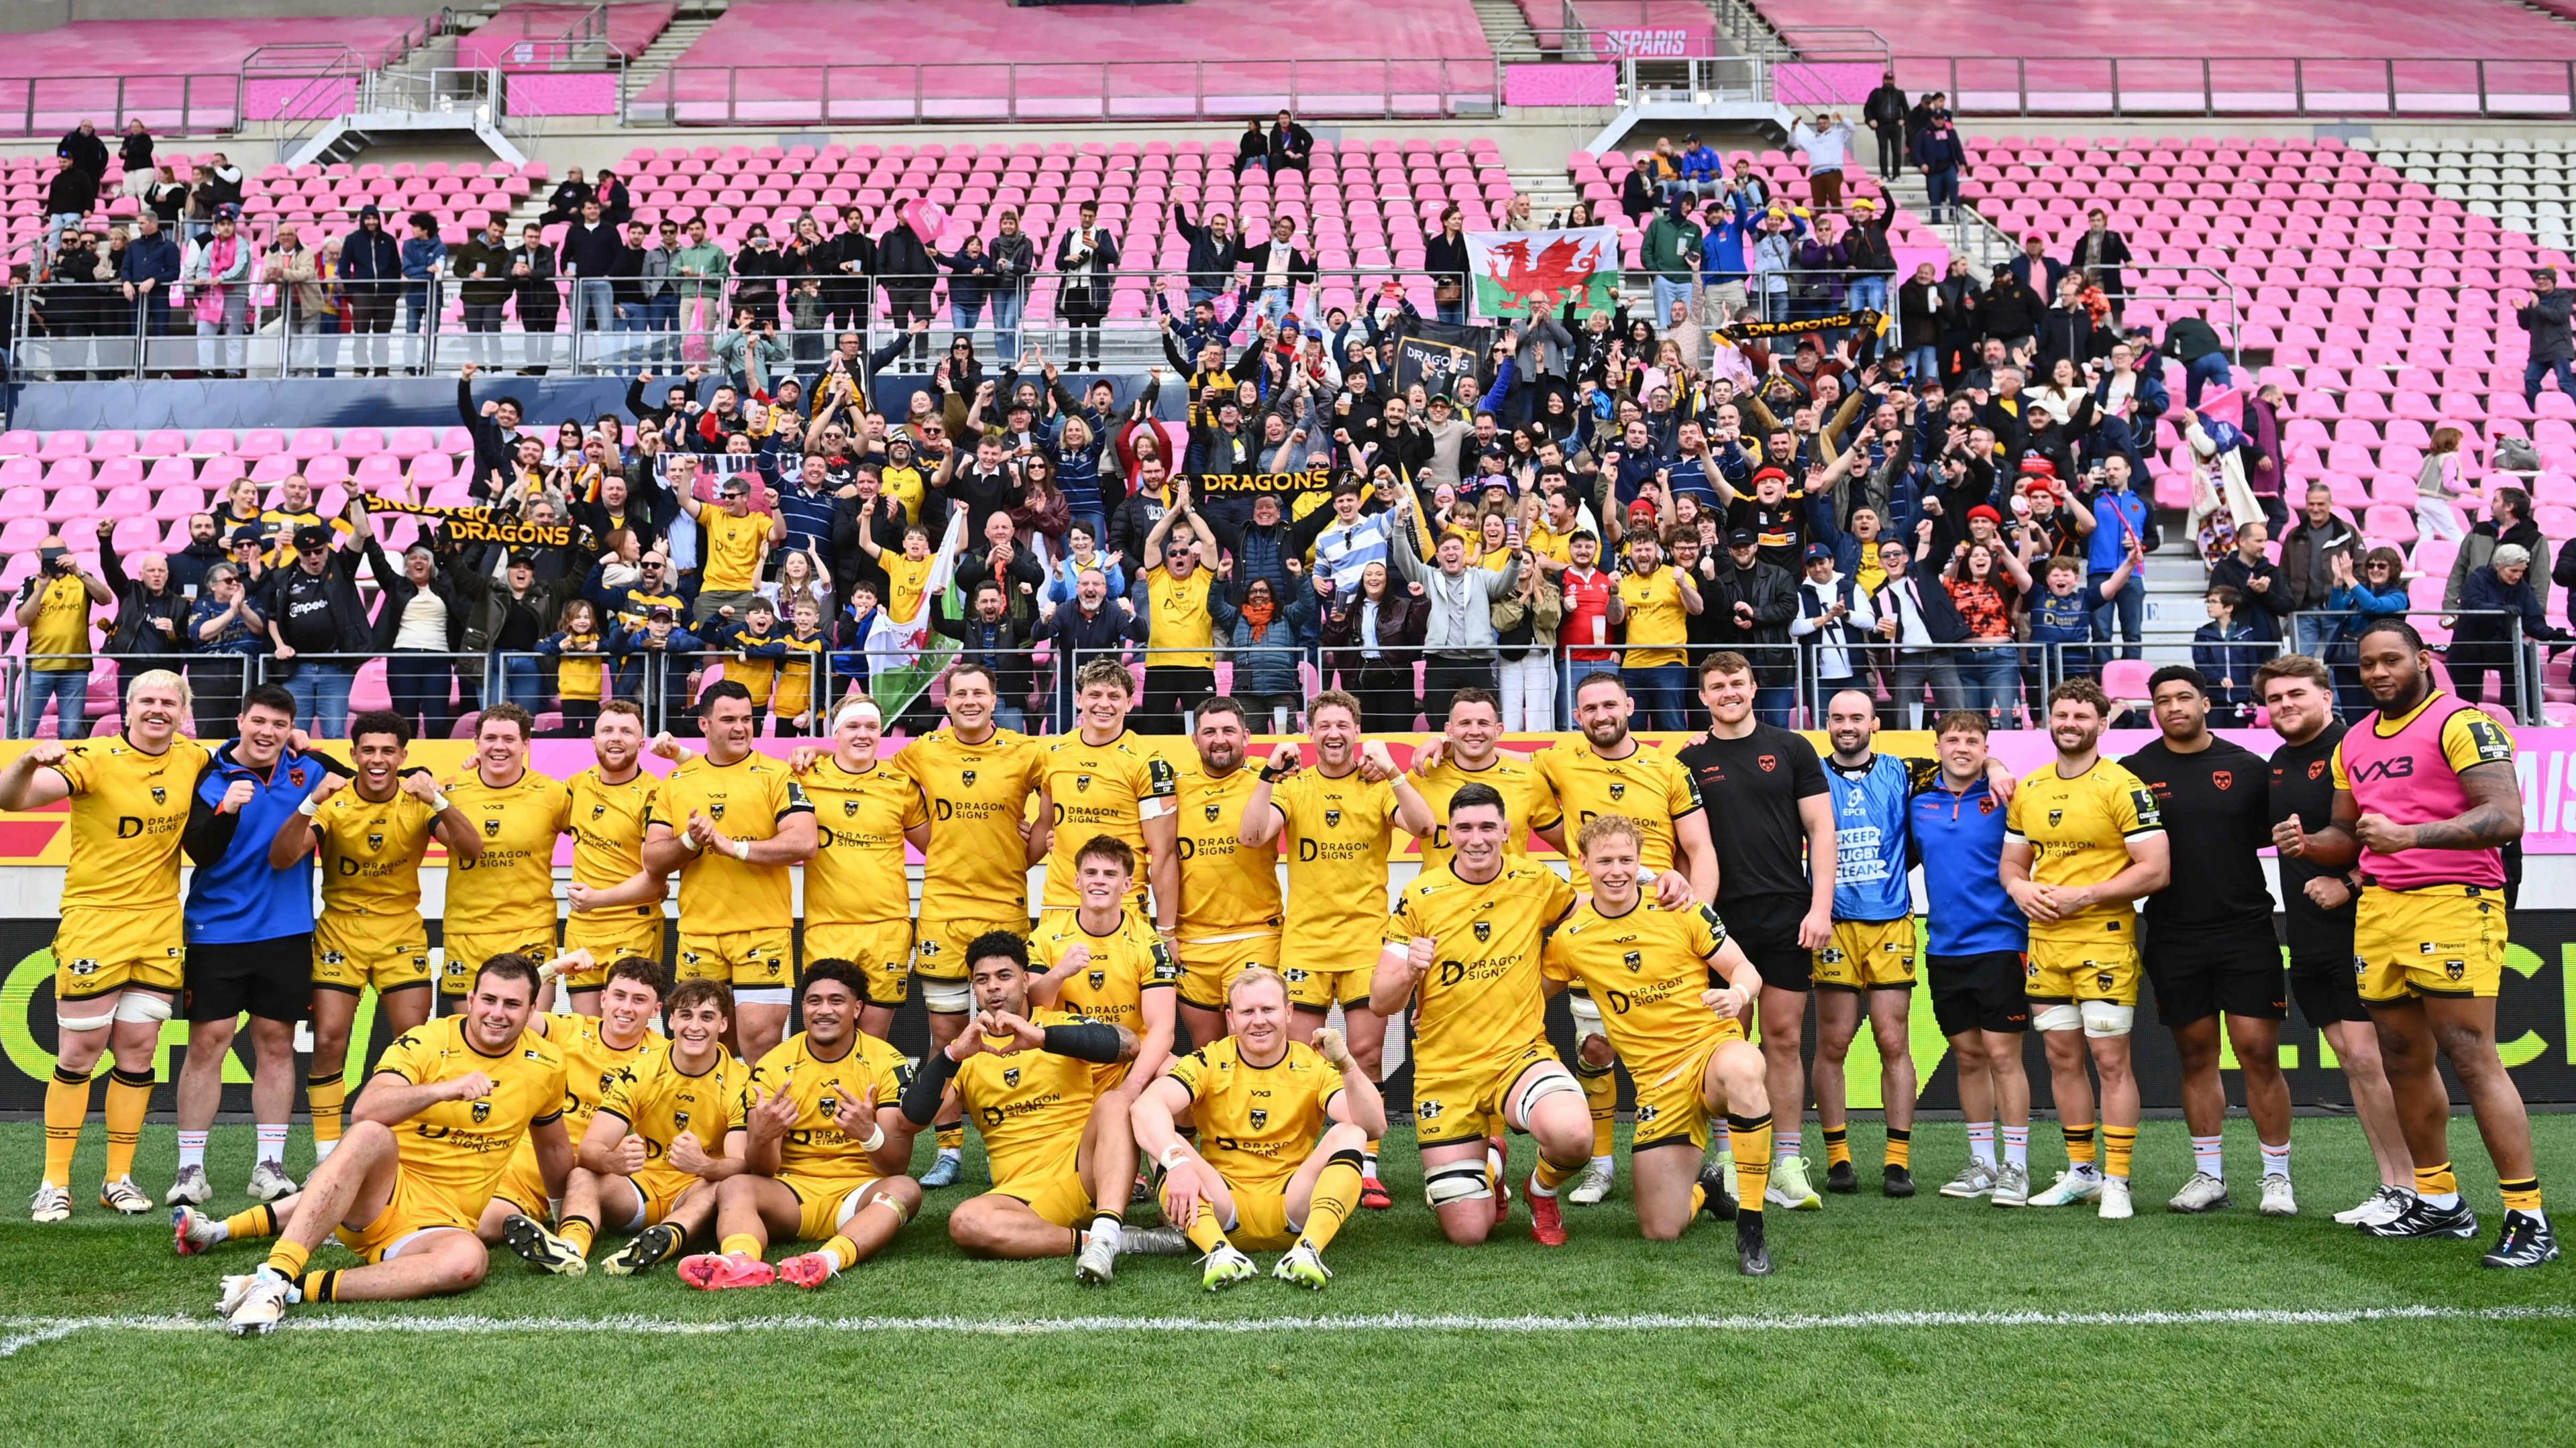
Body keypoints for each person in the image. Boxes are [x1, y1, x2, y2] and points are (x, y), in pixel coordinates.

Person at [2275, 618, 2555, 1266]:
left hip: (2454, 901)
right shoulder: (2356, 741)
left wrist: (2414, 836)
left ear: (2422, 659)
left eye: (2390, 660)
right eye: (2367, 664)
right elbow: (2348, 835)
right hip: (2380, 910)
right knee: (2401, 1056)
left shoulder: (2463, 722)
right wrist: (2310, 845)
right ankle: (2438, 1200)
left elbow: (2505, 816)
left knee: (2471, 1054)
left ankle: (2527, 1215)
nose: (2377, 673)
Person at [178, 954, 570, 1336]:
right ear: (471, 1000)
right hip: (383, 1195)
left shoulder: (547, 1064)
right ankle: (274, 1276)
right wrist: (443, 1090)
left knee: (468, 1263)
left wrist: (565, 1223)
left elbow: (551, 1148)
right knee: (370, 1135)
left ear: (532, 1009)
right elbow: (367, 1110)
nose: (497, 1013)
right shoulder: (426, 1041)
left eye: (512, 1004)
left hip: (443, 1225)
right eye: (488, 1000)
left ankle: (297, 1288)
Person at [3, 671, 207, 1221]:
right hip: (95, 923)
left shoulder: (194, 756)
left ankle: (117, 1178)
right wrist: (25, 762)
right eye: (147, 700)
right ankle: (54, 1181)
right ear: (128, 706)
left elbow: (255, 753)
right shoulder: (91, 757)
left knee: (138, 1051)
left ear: (184, 711)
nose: (158, 709)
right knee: (78, 1054)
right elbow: (11, 802)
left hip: (160, 927)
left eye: (169, 701)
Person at [1543, 815, 1774, 1272]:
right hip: (1658, 1084)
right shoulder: (1571, 937)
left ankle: (1752, 1224)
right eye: (1605, 860)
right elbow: (1528, 996)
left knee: (1746, 1067)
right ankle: (1707, 1188)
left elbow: (1746, 969)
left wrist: (1737, 994)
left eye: (1626, 859)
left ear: (1640, 862)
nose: (1616, 870)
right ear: (1584, 863)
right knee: (1660, 1227)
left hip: (1710, 1050)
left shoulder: (1680, 908)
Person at [1525, 672, 1717, 1203]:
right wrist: (1439, 742)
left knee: (1689, 1044)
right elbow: (1497, 766)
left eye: (1610, 703)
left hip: (1664, 926)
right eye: (1589, 707)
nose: (1601, 713)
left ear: (1630, 705)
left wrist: (1699, 917)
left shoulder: (1667, 766)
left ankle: (1710, 1163)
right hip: (1592, 931)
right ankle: (1603, 1165)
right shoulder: (1557, 761)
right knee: (1595, 1044)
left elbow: (1700, 849)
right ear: (1578, 715)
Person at [901, 932, 1187, 1282]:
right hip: (1021, 1197)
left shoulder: (1056, 1025)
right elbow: (913, 1119)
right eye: (982, 979)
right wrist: (950, 1056)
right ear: (974, 989)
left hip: (1086, 1175)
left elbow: (1128, 1044)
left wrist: (1041, 1038)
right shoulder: (966, 1052)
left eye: (1004, 976)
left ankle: (1107, 1226)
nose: (994, 988)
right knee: (966, 1222)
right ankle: (1110, 1240)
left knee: (1116, 1101)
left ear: (1024, 980)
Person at [1240, 693, 1434, 1207]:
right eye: (1324, 724)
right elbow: (1252, 834)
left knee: (1366, 1055)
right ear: (1310, 732)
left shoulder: (1375, 785)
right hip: (1305, 943)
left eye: (1343, 724)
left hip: (1366, 945)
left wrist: (1393, 770)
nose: (1333, 732)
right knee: (1299, 1059)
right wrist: (1266, 774)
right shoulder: (1294, 785)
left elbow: (1425, 826)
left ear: (1357, 730)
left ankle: (1367, 1164)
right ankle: (1301, 1160)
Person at [265, 710, 478, 1171]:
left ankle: (409, 1150)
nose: (377, 759)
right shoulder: (333, 803)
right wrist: (307, 805)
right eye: (368, 750)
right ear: (354, 753)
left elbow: (471, 849)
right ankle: (327, 1154)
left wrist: (440, 801)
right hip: (340, 931)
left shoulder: (419, 801)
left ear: (403, 755)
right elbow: (282, 858)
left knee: (414, 1043)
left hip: (401, 932)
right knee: (329, 1040)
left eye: (388, 751)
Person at [2121, 667, 2296, 1215]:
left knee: (2258, 1053)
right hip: (2173, 934)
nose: (2174, 707)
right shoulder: (2134, 771)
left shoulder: (2247, 767)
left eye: (2183, 698)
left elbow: (2279, 835)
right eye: (2163, 700)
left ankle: (2276, 1178)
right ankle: (2209, 1175)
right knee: (2196, 1055)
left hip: (2245, 930)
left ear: (2205, 701)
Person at [2253, 654, 2416, 1226]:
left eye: (2297, 694)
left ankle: (2418, 1188)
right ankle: (2394, 1185)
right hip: (2308, 935)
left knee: (2376, 1060)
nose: (2286, 705)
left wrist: (2350, 882)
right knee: (2354, 1061)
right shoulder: (2277, 762)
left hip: (2367, 927)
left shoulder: (2359, 748)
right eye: (2275, 699)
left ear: (2326, 695)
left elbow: (2400, 832)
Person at [2000, 678, 2171, 1221]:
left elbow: (2156, 869)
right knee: (2061, 1057)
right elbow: (2012, 864)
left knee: (2110, 1059)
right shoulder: (2030, 787)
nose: (2069, 722)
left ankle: (2118, 1179)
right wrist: (2021, 889)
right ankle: (2082, 1172)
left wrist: (2086, 896)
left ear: (2102, 723)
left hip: (2104, 940)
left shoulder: (2123, 785)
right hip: (2046, 944)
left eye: (2081, 715)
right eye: (2061, 714)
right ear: (2049, 720)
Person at [1674, 653, 1835, 1208]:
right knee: (1727, 1044)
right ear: (1703, 696)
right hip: (1722, 921)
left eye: (1736, 683)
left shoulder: (1791, 748)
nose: (1728, 692)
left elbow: (1822, 829)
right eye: (1716, 685)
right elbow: (1680, 846)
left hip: (1788, 913)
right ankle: (1729, 1159)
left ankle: (1787, 1162)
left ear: (1753, 686)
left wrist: (1821, 908)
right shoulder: (1688, 759)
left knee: (1785, 1039)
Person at [891, 662, 1049, 1186]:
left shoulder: (1027, 751)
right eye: (961, 693)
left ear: (994, 697)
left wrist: (1038, 831)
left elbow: (1067, 783)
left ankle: (1027, 1134)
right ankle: (951, 1149)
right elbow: (869, 767)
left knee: (1016, 1031)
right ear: (947, 700)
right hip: (942, 908)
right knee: (947, 1037)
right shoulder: (922, 751)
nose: (971, 701)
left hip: (1003, 907)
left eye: (980, 692)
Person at [674, 961, 925, 1291]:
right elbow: (764, 1169)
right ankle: (739, 1261)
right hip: (793, 1194)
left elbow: (896, 1164)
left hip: (858, 1194)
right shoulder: (773, 1066)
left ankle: (826, 1260)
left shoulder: (887, 1062)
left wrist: (869, 1134)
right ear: (803, 1007)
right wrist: (763, 1138)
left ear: (857, 1008)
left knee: (906, 1189)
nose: (824, 1010)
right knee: (735, 1187)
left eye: (837, 1001)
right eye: (814, 1001)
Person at [1131, 969, 1384, 1290]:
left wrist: (1346, 1063)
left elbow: (1374, 1125)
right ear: (1231, 1018)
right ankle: (1218, 1252)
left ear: (1289, 1012)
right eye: (1247, 1012)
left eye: (1268, 1010)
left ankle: (1308, 1251)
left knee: (1352, 1132)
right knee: (1166, 1143)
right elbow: (1144, 1108)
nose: (1259, 1020)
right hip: (1222, 1205)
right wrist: (1178, 1161)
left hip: (1294, 1204)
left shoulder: (1312, 1064)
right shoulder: (1211, 1059)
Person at [615, 683, 816, 1062]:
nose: (740, 727)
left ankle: (756, 1124)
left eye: (747, 719)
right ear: (705, 725)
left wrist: (735, 848)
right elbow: (653, 860)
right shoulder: (676, 782)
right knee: (702, 1047)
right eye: (728, 719)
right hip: (699, 933)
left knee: (761, 1045)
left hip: (764, 929)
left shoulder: (776, 774)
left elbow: (805, 841)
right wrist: (690, 842)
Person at [1806, 689, 1942, 1199]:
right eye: (1838, 716)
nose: (1847, 725)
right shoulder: (1810, 773)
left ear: (1874, 723)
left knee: (1893, 1040)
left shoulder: (1906, 771)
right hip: (1833, 921)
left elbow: (1964, 758)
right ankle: (1838, 1158)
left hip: (1890, 920)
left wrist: (1994, 764)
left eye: (1856, 717)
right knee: (1833, 1043)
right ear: (1827, 722)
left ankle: (1897, 1161)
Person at [1911, 710, 2035, 1205]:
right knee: (1968, 1056)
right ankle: (1982, 1161)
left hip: (2002, 942)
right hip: (1943, 945)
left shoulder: (2008, 795)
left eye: (1973, 740)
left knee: (2004, 1055)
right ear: (1937, 745)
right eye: (1953, 739)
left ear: (1986, 747)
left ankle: (2017, 1166)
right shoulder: (1918, 799)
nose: (1962, 746)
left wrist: (2000, 767)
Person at [485, 955, 669, 1274]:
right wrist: (553, 970)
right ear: (603, 998)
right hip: (530, 1169)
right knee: (481, 1228)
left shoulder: (665, 1057)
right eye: (619, 996)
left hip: (594, 1177)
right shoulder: (568, 1030)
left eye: (639, 1000)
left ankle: (564, 1240)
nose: (626, 1008)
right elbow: (518, 1013)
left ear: (656, 1010)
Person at [795, 696, 930, 1041]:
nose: (863, 735)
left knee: (872, 1040)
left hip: (887, 930)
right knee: (827, 1035)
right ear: (835, 732)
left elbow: (937, 847)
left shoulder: (899, 784)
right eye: (853, 726)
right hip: (828, 929)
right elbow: (747, 776)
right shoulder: (805, 777)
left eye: (871, 727)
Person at [433, 704, 571, 1007]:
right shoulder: (449, 791)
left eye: (509, 739)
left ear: (525, 744)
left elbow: (597, 837)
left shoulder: (552, 793)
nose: (499, 746)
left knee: (532, 1033)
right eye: (490, 738)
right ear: (477, 743)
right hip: (467, 933)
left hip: (531, 931)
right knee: (471, 1037)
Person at [1167, 698, 1283, 1053]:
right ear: (1194, 739)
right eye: (1210, 732)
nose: (1220, 739)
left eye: (1229, 731)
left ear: (1247, 736)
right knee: (1208, 1053)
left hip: (1255, 935)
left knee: (1253, 1048)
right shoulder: (1175, 785)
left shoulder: (1273, 776)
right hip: (1193, 943)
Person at [555, 700, 667, 1011]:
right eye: (607, 730)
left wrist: (596, 900)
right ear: (594, 741)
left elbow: (655, 881)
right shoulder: (576, 786)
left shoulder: (655, 794)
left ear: (642, 744)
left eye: (626, 732)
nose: (616, 738)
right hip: (583, 930)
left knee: (625, 1027)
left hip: (635, 927)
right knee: (588, 1034)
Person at [262, 522, 370, 738]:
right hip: (296, 669)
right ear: (298, 553)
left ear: (327, 548)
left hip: (336, 668)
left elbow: (361, 532)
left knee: (334, 733)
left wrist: (354, 497)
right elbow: (272, 618)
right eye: (307, 553)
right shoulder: (283, 577)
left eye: (319, 551)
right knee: (294, 734)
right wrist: (280, 646)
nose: (313, 557)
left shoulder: (341, 569)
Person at [1139, 492, 1223, 734]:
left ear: (1192, 558)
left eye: (1183, 552)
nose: (1178, 556)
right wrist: (1174, 511)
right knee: (1154, 730)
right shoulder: (1157, 578)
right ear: (1166, 561)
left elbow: (1209, 542)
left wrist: (1189, 510)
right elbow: (1151, 543)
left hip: (1199, 666)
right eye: (1173, 554)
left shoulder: (1204, 577)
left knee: (1203, 729)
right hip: (1159, 666)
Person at [2448, 542, 2566, 708]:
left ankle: (2519, 716)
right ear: (2499, 566)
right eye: (2513, 571)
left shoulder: (2521, 588)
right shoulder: (2477, 579)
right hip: (2469, 645)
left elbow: (2532, 620)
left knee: (2523, 657)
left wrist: (2550, 634)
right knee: (2467, 699)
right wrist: (2500, 610)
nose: (2518, 576)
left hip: (2499, 644)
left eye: (2522, 571)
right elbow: (2473, 606)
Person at [13, 537, 110, 738]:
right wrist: (41, 588)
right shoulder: (31, 583)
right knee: (23, 729)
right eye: (49, 553)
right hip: (40, 665)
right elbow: (22, 620)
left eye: (59, 552)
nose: (54, 557)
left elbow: (106, 599)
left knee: (72, 731)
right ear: (38, 555)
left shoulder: (82, 579)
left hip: (75, 666)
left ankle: (65, 770)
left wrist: (79, 572)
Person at [1609, 525, 1702, 733]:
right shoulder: (1625, 582)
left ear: (1658, 552)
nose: (1643, 554)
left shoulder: (1676, 575)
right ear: (1630, 554)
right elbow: (1615, 619)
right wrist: (1614, 593)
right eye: (1638, 550)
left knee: (1671, 724)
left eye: (1648, 550)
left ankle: (1677, 765)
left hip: (1669, 662)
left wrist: (1682, 584)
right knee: (1631, 727)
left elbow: (1697, 609)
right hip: (1633, 664)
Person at [1055, 201, 1121, 367]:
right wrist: (1067, 258)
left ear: (1095, 216)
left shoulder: (1102, 234)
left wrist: (1097, 247)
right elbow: (1058, 263)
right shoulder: (1070, 234)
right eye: (1084, 215)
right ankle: (1073, 364)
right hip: (1072, 288)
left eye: (1090, 216)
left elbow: (1113, 257)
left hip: (1093, 289)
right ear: (1080, 214)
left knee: (1093, 328)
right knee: (1074, 329)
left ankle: (1093, 364)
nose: (1087, 219)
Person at [2514, 266, 2572, 408]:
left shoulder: (2563, 298)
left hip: (2559, 348)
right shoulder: (2534, 302)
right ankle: (2537, 409)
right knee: (2530, 379)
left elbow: (2560, 317)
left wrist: (2538, 306)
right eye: (2538, 279)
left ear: (2553, 282)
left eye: (2545, 279)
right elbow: (2525, 325)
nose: (2541, 282)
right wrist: (2521, 311)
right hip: (2539, 351)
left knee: (2565, 381)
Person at [1789, 112, 1857, 212]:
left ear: (1829, 123)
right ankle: (1820, 223)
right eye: (1820, 123)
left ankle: (1839, 222)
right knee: (1818, 202)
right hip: (1816, 173)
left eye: (1825, 123)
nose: (1823, 125)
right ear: (1817, 125)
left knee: (1835, 199)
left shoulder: (1838, 134)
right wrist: (1793, 128)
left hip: (1833, 171)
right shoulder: (1811, 139)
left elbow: (1852, 128)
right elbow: (1793, 143)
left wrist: (1841, 118)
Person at [1863, 73, 1909, 179]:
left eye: (1891, 80)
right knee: (1883, 150)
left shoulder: (1899, 94)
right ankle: (1884, 174)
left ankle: (1897, 175)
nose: (1889, 82)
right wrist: (1871, 120)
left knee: (1897, 151)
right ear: (1883, 80)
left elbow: (1907, 110)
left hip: (1896, 125)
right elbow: (1868, 108)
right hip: (1881, 125)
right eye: (1887, 80)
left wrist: (1904, 120)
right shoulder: (1876, 93)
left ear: (1894, 80)